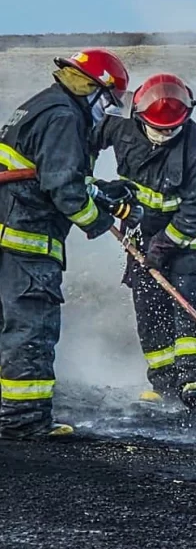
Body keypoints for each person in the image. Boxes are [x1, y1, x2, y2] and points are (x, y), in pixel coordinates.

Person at [0, 48, 131, 439]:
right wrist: (100, 219)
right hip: (27, 244)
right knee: (30, 328)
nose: (104, 112)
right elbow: (64, 188)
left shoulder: (41, 104)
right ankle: (23, 422)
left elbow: (40, 172)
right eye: (106, 102)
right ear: (95, 91)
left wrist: (99, 189)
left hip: (9, 233)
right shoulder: (64, 117)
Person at [91, 73, 196, 414]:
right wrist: (87, 180)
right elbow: (86, 137)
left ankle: (194, 383)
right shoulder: (123, 129)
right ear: (139, 116)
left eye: (171, 129)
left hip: (191, 243)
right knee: (149, 310)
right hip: (143, 238)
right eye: (158, 128)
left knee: (188, 305)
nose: (165, 134)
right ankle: (163, 385)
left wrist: (162, 247)